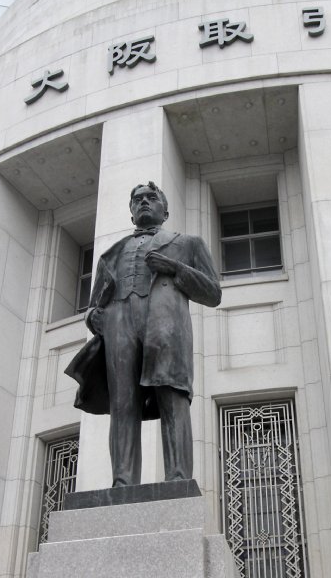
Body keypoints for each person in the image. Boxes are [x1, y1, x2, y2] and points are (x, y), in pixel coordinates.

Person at [65, 181, 221, 487]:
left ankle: (177, 478)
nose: (144, 202)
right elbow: (95, 304)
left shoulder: (188, 243)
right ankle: (122, 482)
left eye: (151, 198)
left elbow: (213, 292)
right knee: (122, 402)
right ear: (131, 211)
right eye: (138, 200)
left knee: (172, 395)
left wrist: (175, 268)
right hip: (119, 324)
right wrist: (93, 316)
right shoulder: (112, 254)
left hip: (165, 325)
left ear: (165, 211)